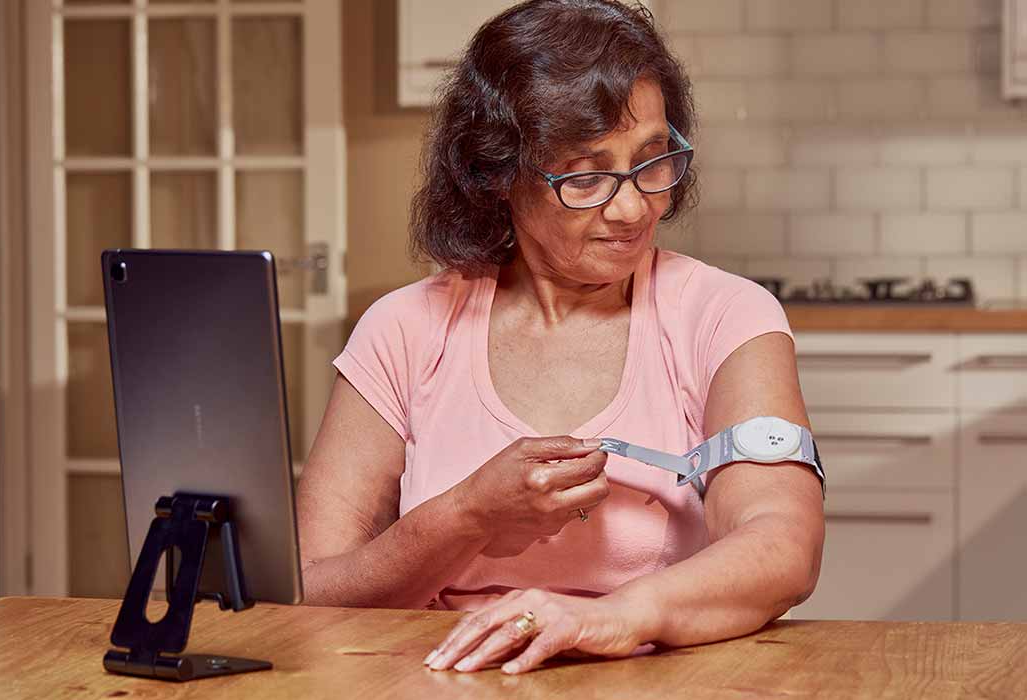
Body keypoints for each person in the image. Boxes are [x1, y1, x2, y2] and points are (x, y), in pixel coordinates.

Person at [295, 0, 824, 675]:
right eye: (587, 174)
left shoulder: (726, 317)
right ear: (498, 175)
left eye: (652, 162)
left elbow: (784, 544)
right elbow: (310, 587)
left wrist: (611, 617)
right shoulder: (405, 330)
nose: (633, 208)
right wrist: (466, 517)